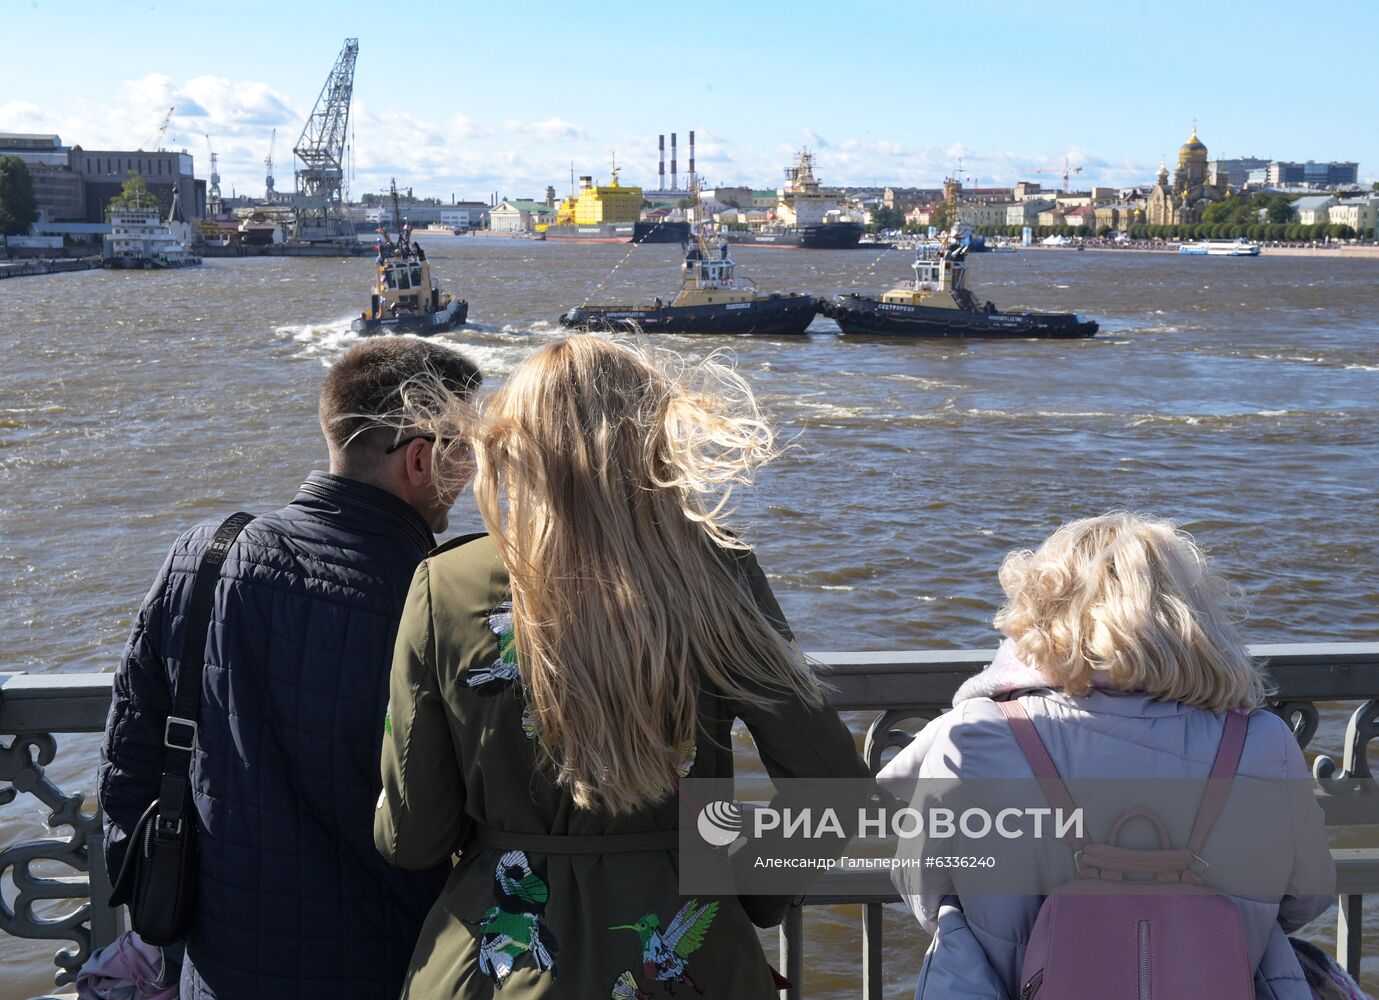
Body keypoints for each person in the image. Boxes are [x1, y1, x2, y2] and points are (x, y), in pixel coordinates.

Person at [374, 335, 871, 998]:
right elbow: (832, 789)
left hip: (501, 967)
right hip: (688, 956)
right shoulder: (718, 573)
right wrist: (749, 897)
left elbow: (415, 839)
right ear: (654, 439)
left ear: (516, 447)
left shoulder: (447, 584)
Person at [99, 338, 482, 1000]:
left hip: (218, 972)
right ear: (420, 459)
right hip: (394, 965)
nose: (473, 470)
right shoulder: (442, 595)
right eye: (466, 449)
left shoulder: (204, 554)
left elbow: (128, 763)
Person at [878, 513, 1335, 1000]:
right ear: (1192, 615)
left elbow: (923, 889)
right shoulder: (1263, 743)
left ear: (1042, 611)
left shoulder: (977, 736)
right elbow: (1306, 898)